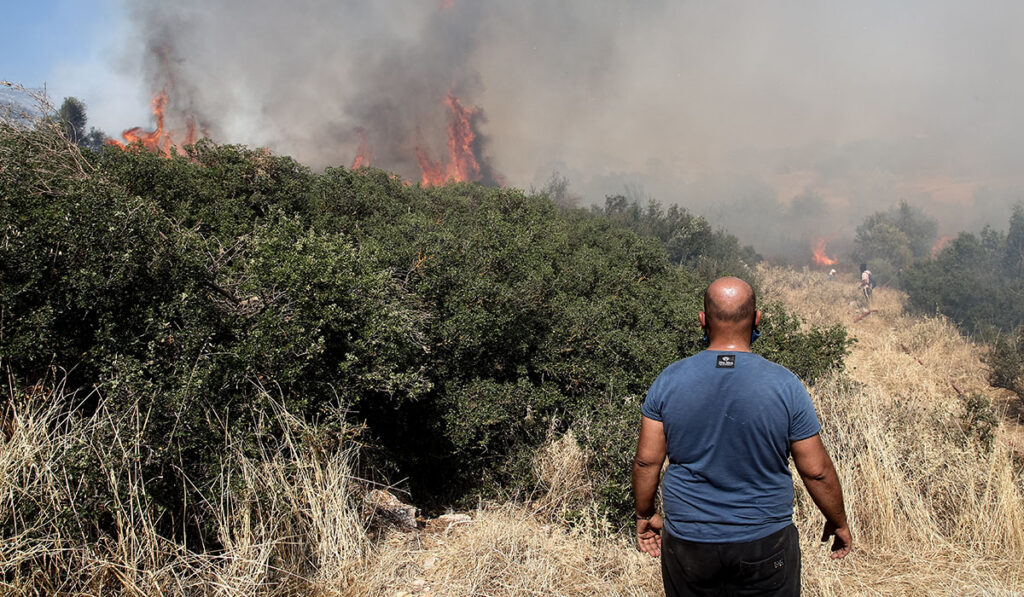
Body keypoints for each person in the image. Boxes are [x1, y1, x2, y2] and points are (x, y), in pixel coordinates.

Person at [632, 277, 851, 596]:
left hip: (689, 544)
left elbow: (646, 461)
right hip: (765, 544)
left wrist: (645, 513)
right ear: (757, 319)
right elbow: (816, 472)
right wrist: (838, 520)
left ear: (702, 320)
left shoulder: (668, 381)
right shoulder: (785, 385)